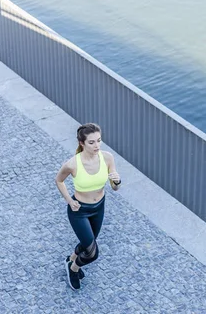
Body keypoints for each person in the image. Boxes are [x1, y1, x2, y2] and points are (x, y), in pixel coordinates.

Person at [55, 123, 121, 290]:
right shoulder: (72, 164)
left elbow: (114, 187)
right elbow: (59, 180)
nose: (97, 145)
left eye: (99, 140)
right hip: (79, 211)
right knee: (92, 252)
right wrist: (69, 200)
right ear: (82, 143)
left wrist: (117, 181)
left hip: (99, 207)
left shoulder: (107, 158)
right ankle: (73, 269)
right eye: (91, 142)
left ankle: (70, 259)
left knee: (88, 243)